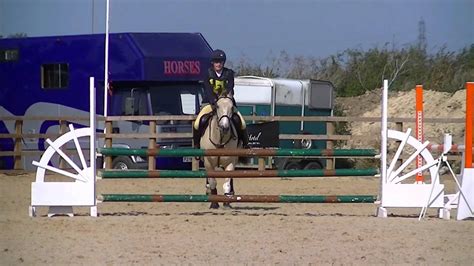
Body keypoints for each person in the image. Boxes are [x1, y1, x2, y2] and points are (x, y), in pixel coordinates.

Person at [193, 49, 249, 148]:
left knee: (240, 121)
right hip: (210, 103)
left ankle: (244, 144)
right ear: (212, 63)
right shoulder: (207, 74)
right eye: (216, 62)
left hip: (226, 103)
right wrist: (213, 100)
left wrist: (224, 97)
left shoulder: (229, 73)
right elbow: (208, 89)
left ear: (223, 62)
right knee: (199, 122)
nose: (218, 64)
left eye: (220, 62)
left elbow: (230, 86)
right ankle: (197, 145)